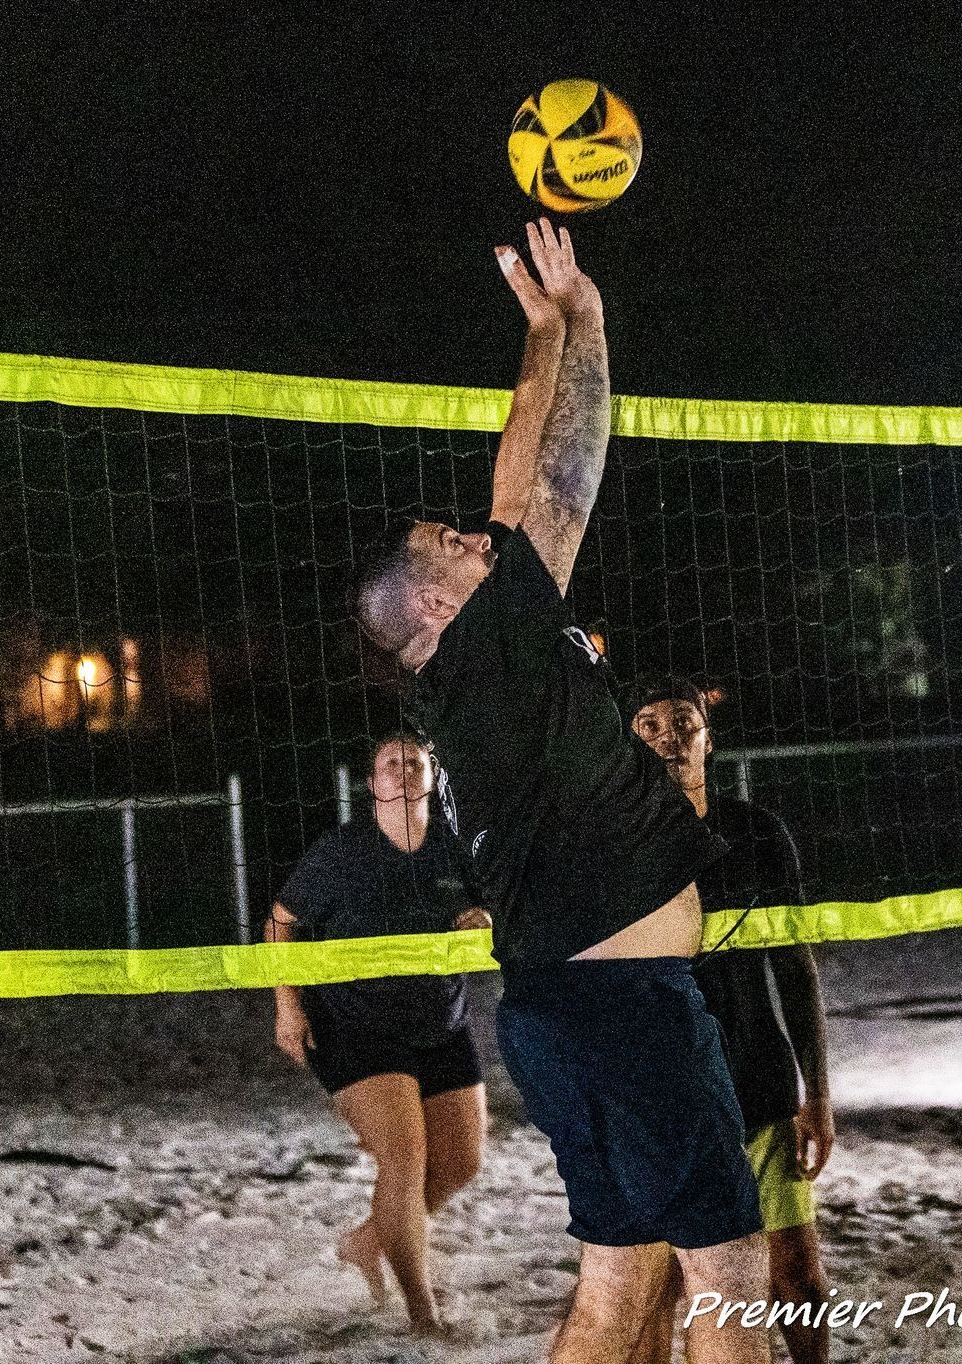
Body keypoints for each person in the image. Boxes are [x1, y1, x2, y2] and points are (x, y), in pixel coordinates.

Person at [352, 219, 769, 1364]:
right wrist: (565, 324)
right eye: (450, 545)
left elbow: (543, 482)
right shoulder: (485, 648)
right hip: (625, 1008)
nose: (474, 538)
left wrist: (565, 327)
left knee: (621, 1287)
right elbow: (543, 467)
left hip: (571, 1010)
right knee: (734, 1277)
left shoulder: (492, 668)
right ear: (437, 608)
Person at [627, 677, 834, 1364]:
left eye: (683, 721)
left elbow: (795, 968)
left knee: (796, 1279)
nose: (668, 736)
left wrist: (820, 1096)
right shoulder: (612, 846)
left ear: (708, 739)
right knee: (657, 1292)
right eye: (649, 723)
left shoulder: (756, 833)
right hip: (663, 1099)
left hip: (756, 1083)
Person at [267, 731, 491, 1335]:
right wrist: (288, 1008)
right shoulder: (340, 855)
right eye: (391, 764)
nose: (404, 771)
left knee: (464, 1162)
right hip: (353, 1027)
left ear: (432, 773)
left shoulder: (458, 847)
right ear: (373, 784)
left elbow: (497, 908)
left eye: (415, 761)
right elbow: (279, 924)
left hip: (440, 1021)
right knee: (403, 1156)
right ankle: (424, 1315)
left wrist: (484, 916)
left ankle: (372, 1239)